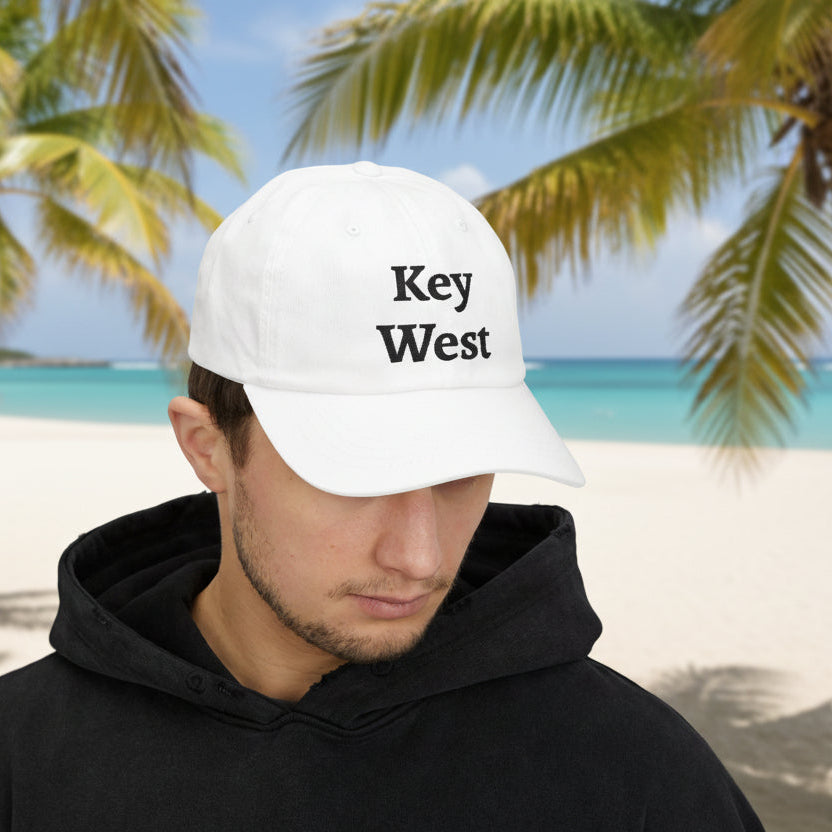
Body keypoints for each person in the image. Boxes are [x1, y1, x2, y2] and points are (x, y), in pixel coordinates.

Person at [0, 162, 764, 830]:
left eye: (463, 468)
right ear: (208, 448)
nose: (421, 556)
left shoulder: (638, 774)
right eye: (353, 474)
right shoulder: (23, 759)